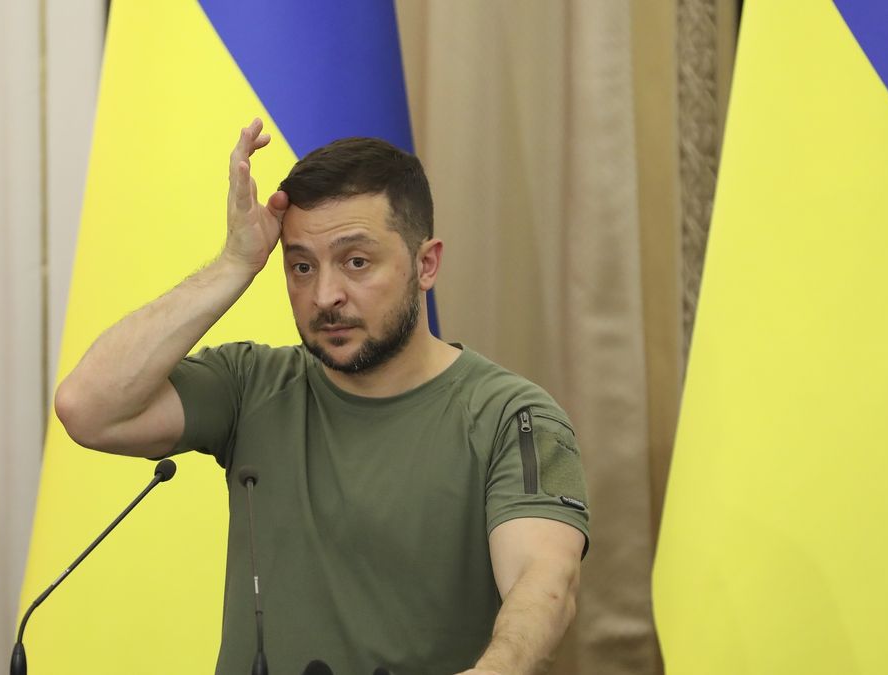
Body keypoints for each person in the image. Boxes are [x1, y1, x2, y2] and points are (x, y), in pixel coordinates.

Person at [55, 119, 590, 675]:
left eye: (356, 262)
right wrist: (233, 265)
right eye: (301, 267)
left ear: (425, 264)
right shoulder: (251, 384)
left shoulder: (512, 417)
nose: (325, 295)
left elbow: (543, 579)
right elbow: (87, 408)